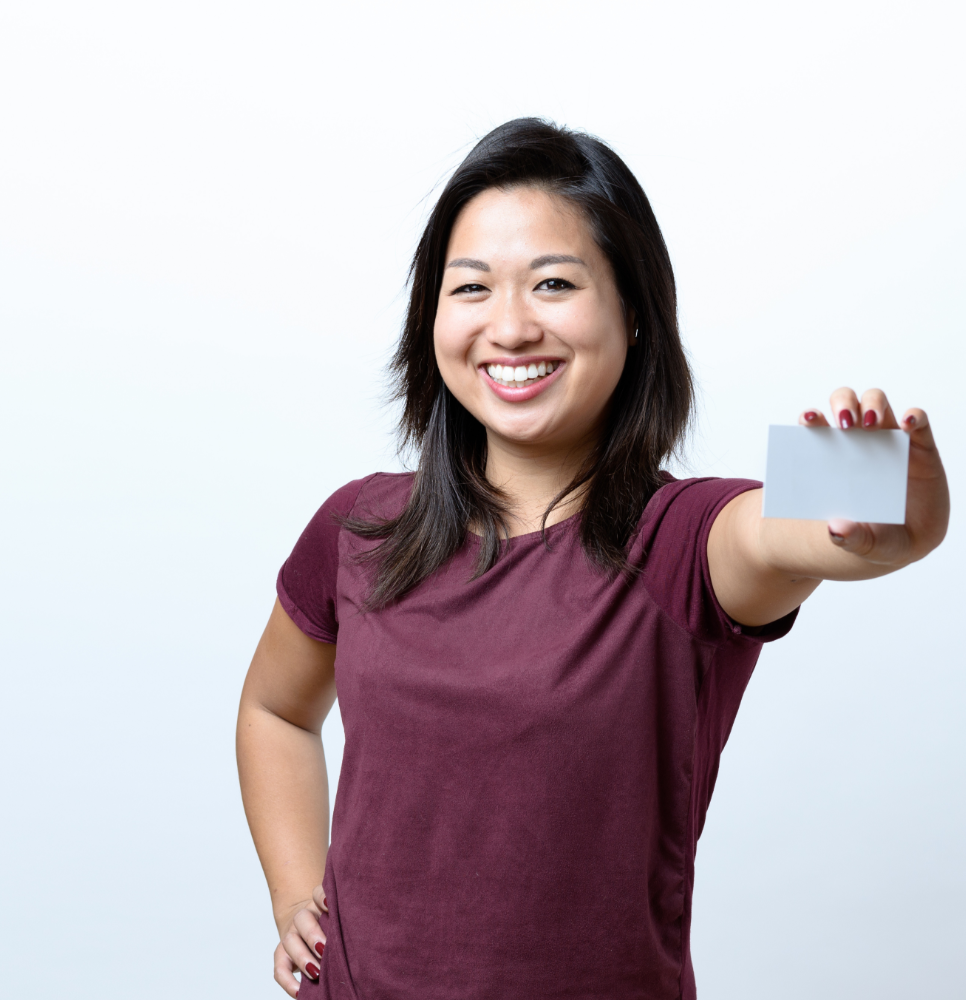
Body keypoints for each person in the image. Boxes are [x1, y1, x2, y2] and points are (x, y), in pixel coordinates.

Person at [235, 119, 949, 999]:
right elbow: (275, 708)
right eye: (471, 290)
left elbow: (806, 523)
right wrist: (294, 894)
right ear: (432, 319)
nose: (509, 325)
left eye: (554, 283)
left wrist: (889, 493)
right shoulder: (359, 525)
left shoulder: (682, 538)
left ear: (635, 315)